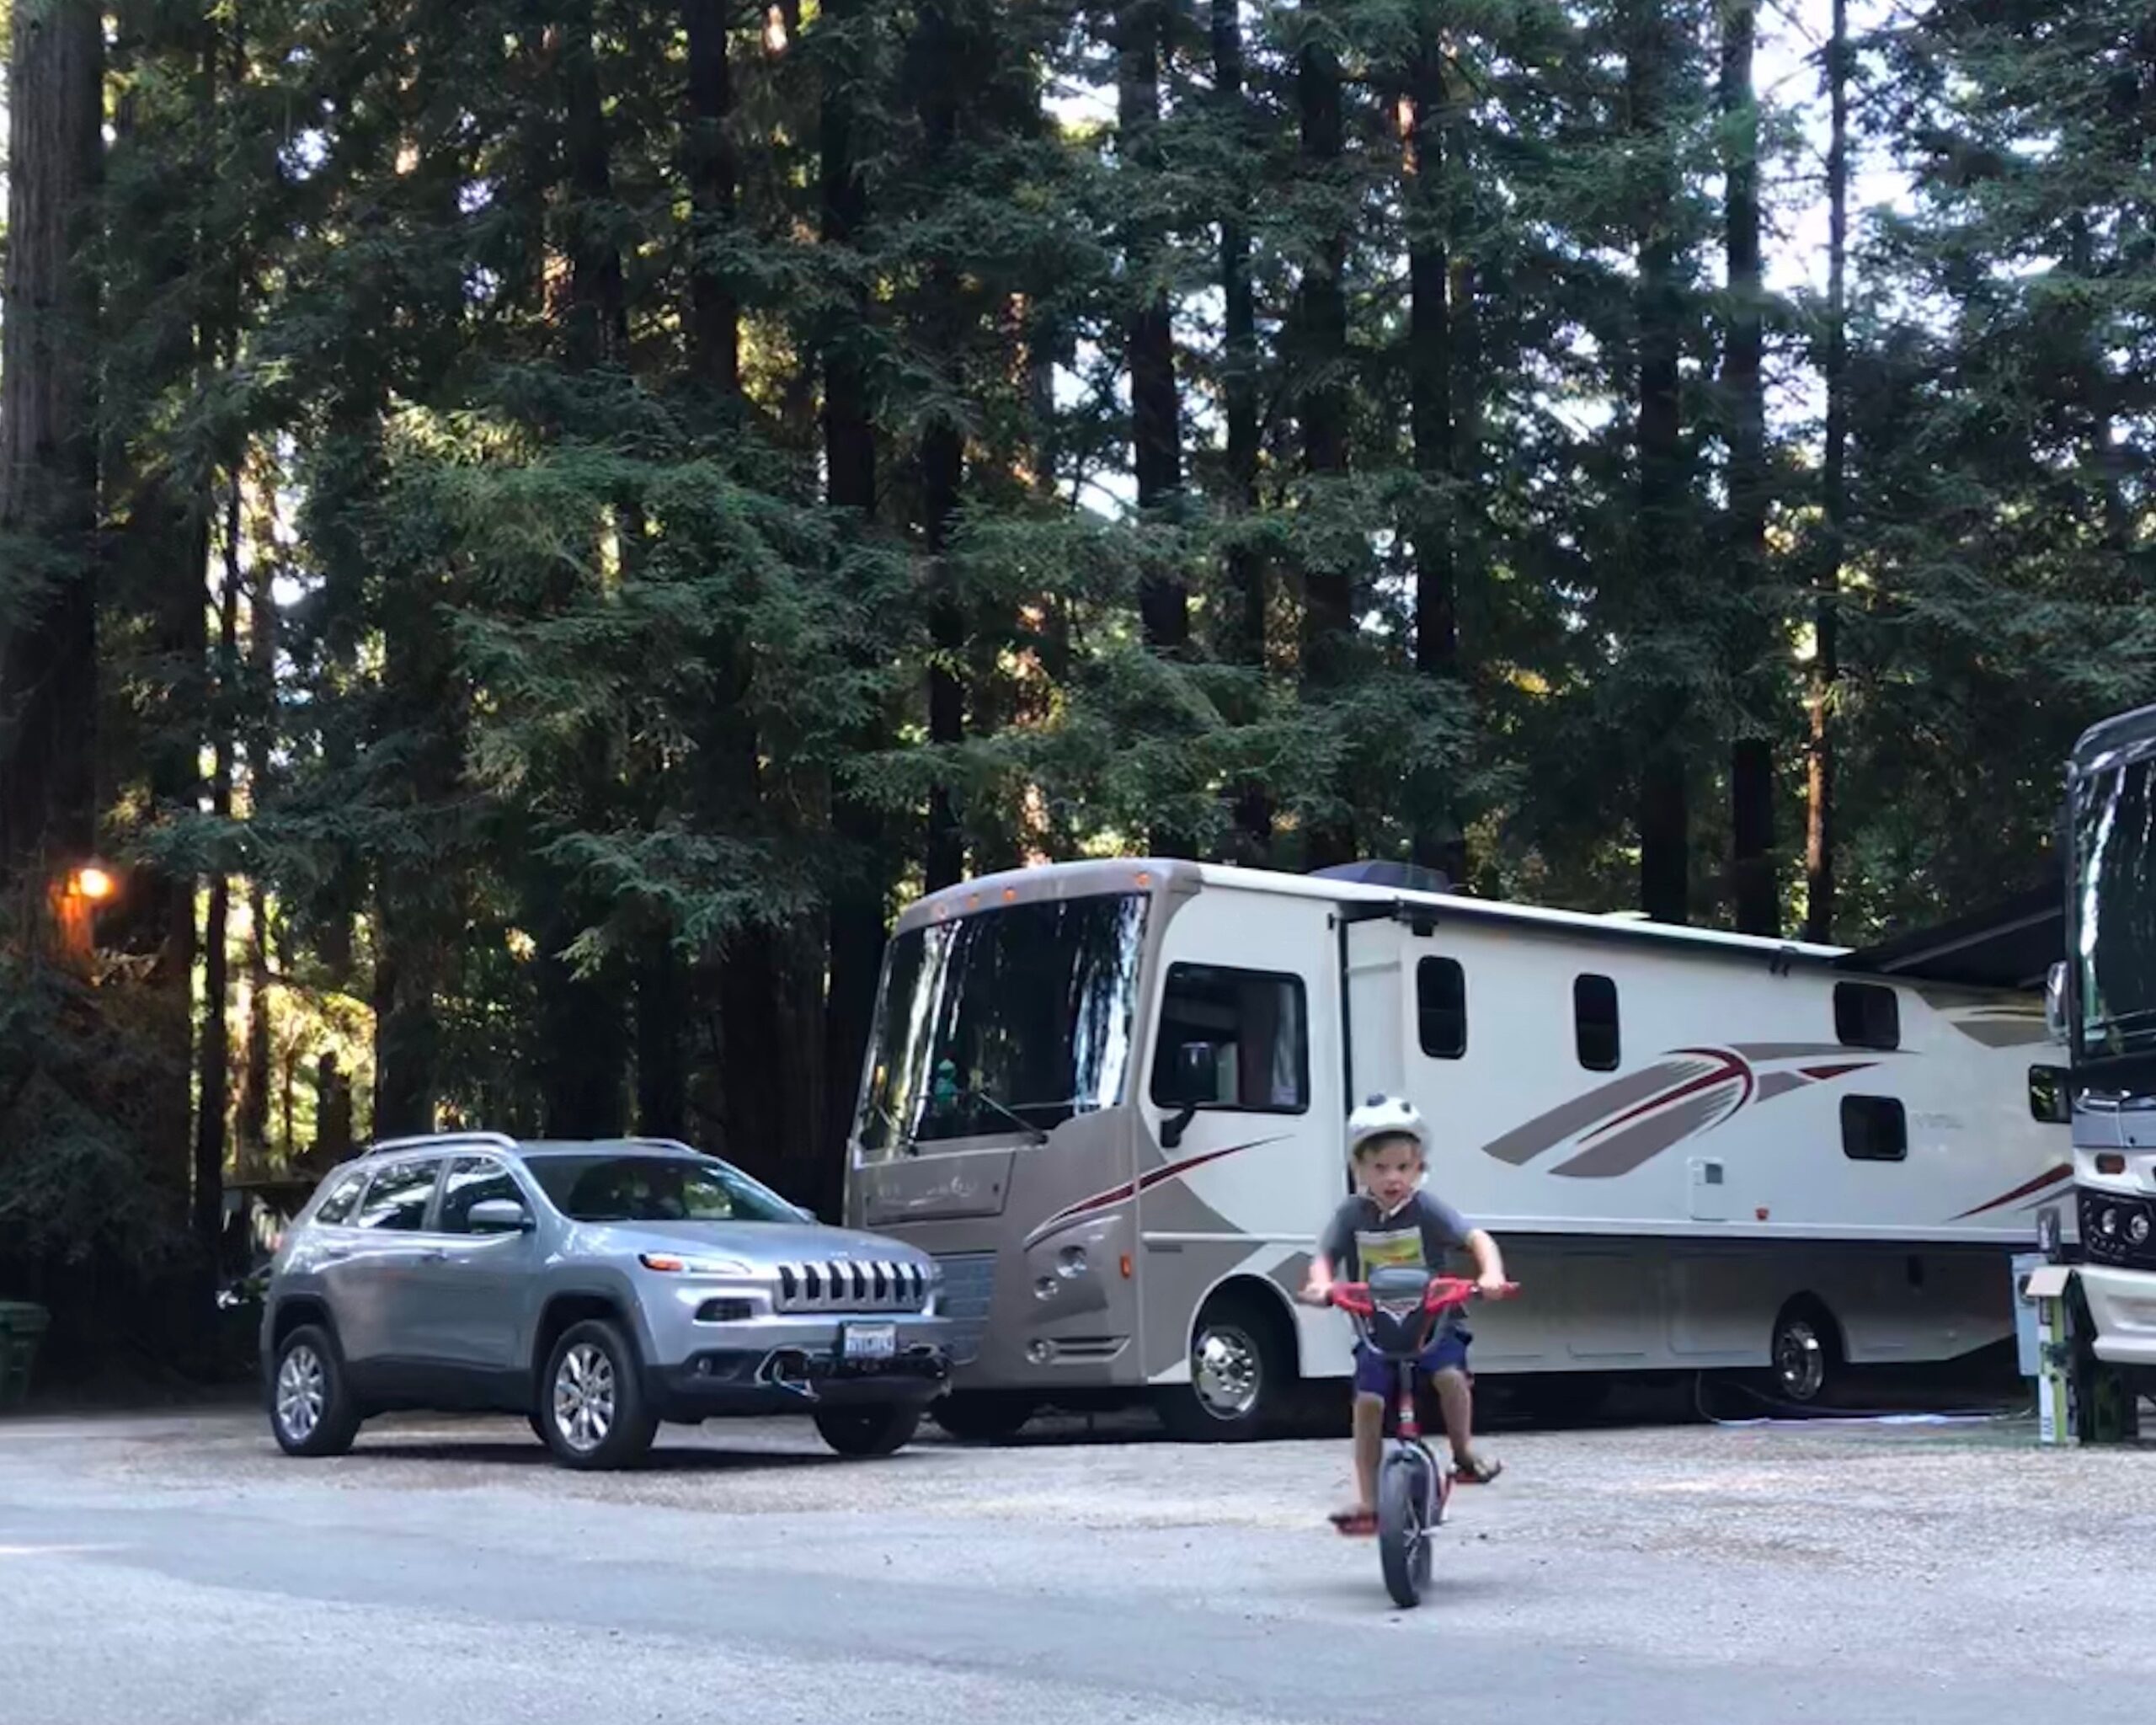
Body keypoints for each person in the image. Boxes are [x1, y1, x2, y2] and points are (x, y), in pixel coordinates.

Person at [1301, 1093, 1512, 1536]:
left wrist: (1490, 1274)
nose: (1392, 1177)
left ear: (1419, 1169)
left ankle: (1463, 1452)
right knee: (1368, 1403)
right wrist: (1321, 1284)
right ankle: (1369, 1500)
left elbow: (1477, 1238)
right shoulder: (1352, 1214)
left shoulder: (1426, 1209)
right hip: (1380, 1328)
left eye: (1403, 1167)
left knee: (1450, 1377)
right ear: (1359, 1170)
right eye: (1380, 1168)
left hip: (1433, 1323)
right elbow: (1325, 1256)